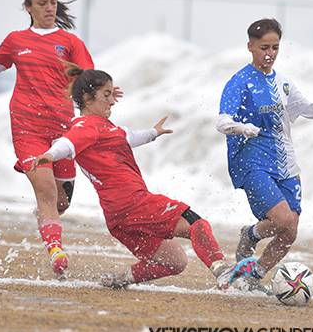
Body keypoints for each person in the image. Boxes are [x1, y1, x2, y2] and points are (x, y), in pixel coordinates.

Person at [0, 0, 110, 279]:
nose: (50, 8)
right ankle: (57, 254)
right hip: (27, 127)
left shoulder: (70, 43)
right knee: (46, 191)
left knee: (61, 202)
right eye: (42, 4)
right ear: (28, 7)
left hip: (63, 131)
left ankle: (46, 223)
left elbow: (88, 81)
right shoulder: (16, 40)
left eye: (53, 3)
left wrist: (104, 96)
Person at [31, 66, 237, 289]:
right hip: (135, 204)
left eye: (112, 94)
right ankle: (222, 271)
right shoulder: (86, 126)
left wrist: (153, 133)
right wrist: (50, 155)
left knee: (175, 262)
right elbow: (68, 143)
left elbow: (130, 137)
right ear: (88, 98)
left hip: (118, 218)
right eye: (106, 95)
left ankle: (119, 279)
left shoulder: (106, 128)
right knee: (197, 223)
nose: (112, 101)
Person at [217, 18, 313, 289]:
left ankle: (253, 276)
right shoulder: (239, 82)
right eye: (263, 47)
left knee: (290, 230)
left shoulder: (282, 82)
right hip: (252, 160)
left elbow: (310, 109)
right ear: (250, 46)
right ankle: (249, 236)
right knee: (282, 219)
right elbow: (222, 122)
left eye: (275, 47)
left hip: (284, 162)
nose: (269, 54)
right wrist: (243, 128)